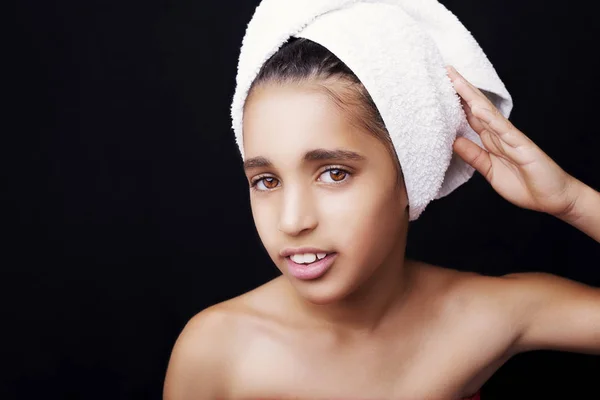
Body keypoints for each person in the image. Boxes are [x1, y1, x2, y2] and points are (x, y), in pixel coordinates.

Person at [163, 38, 600, 400]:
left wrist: (571, 200)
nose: (292, 222)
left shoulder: (487, 313)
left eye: (334, 173)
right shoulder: (216, 350)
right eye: (266, 181)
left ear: (412, 176)